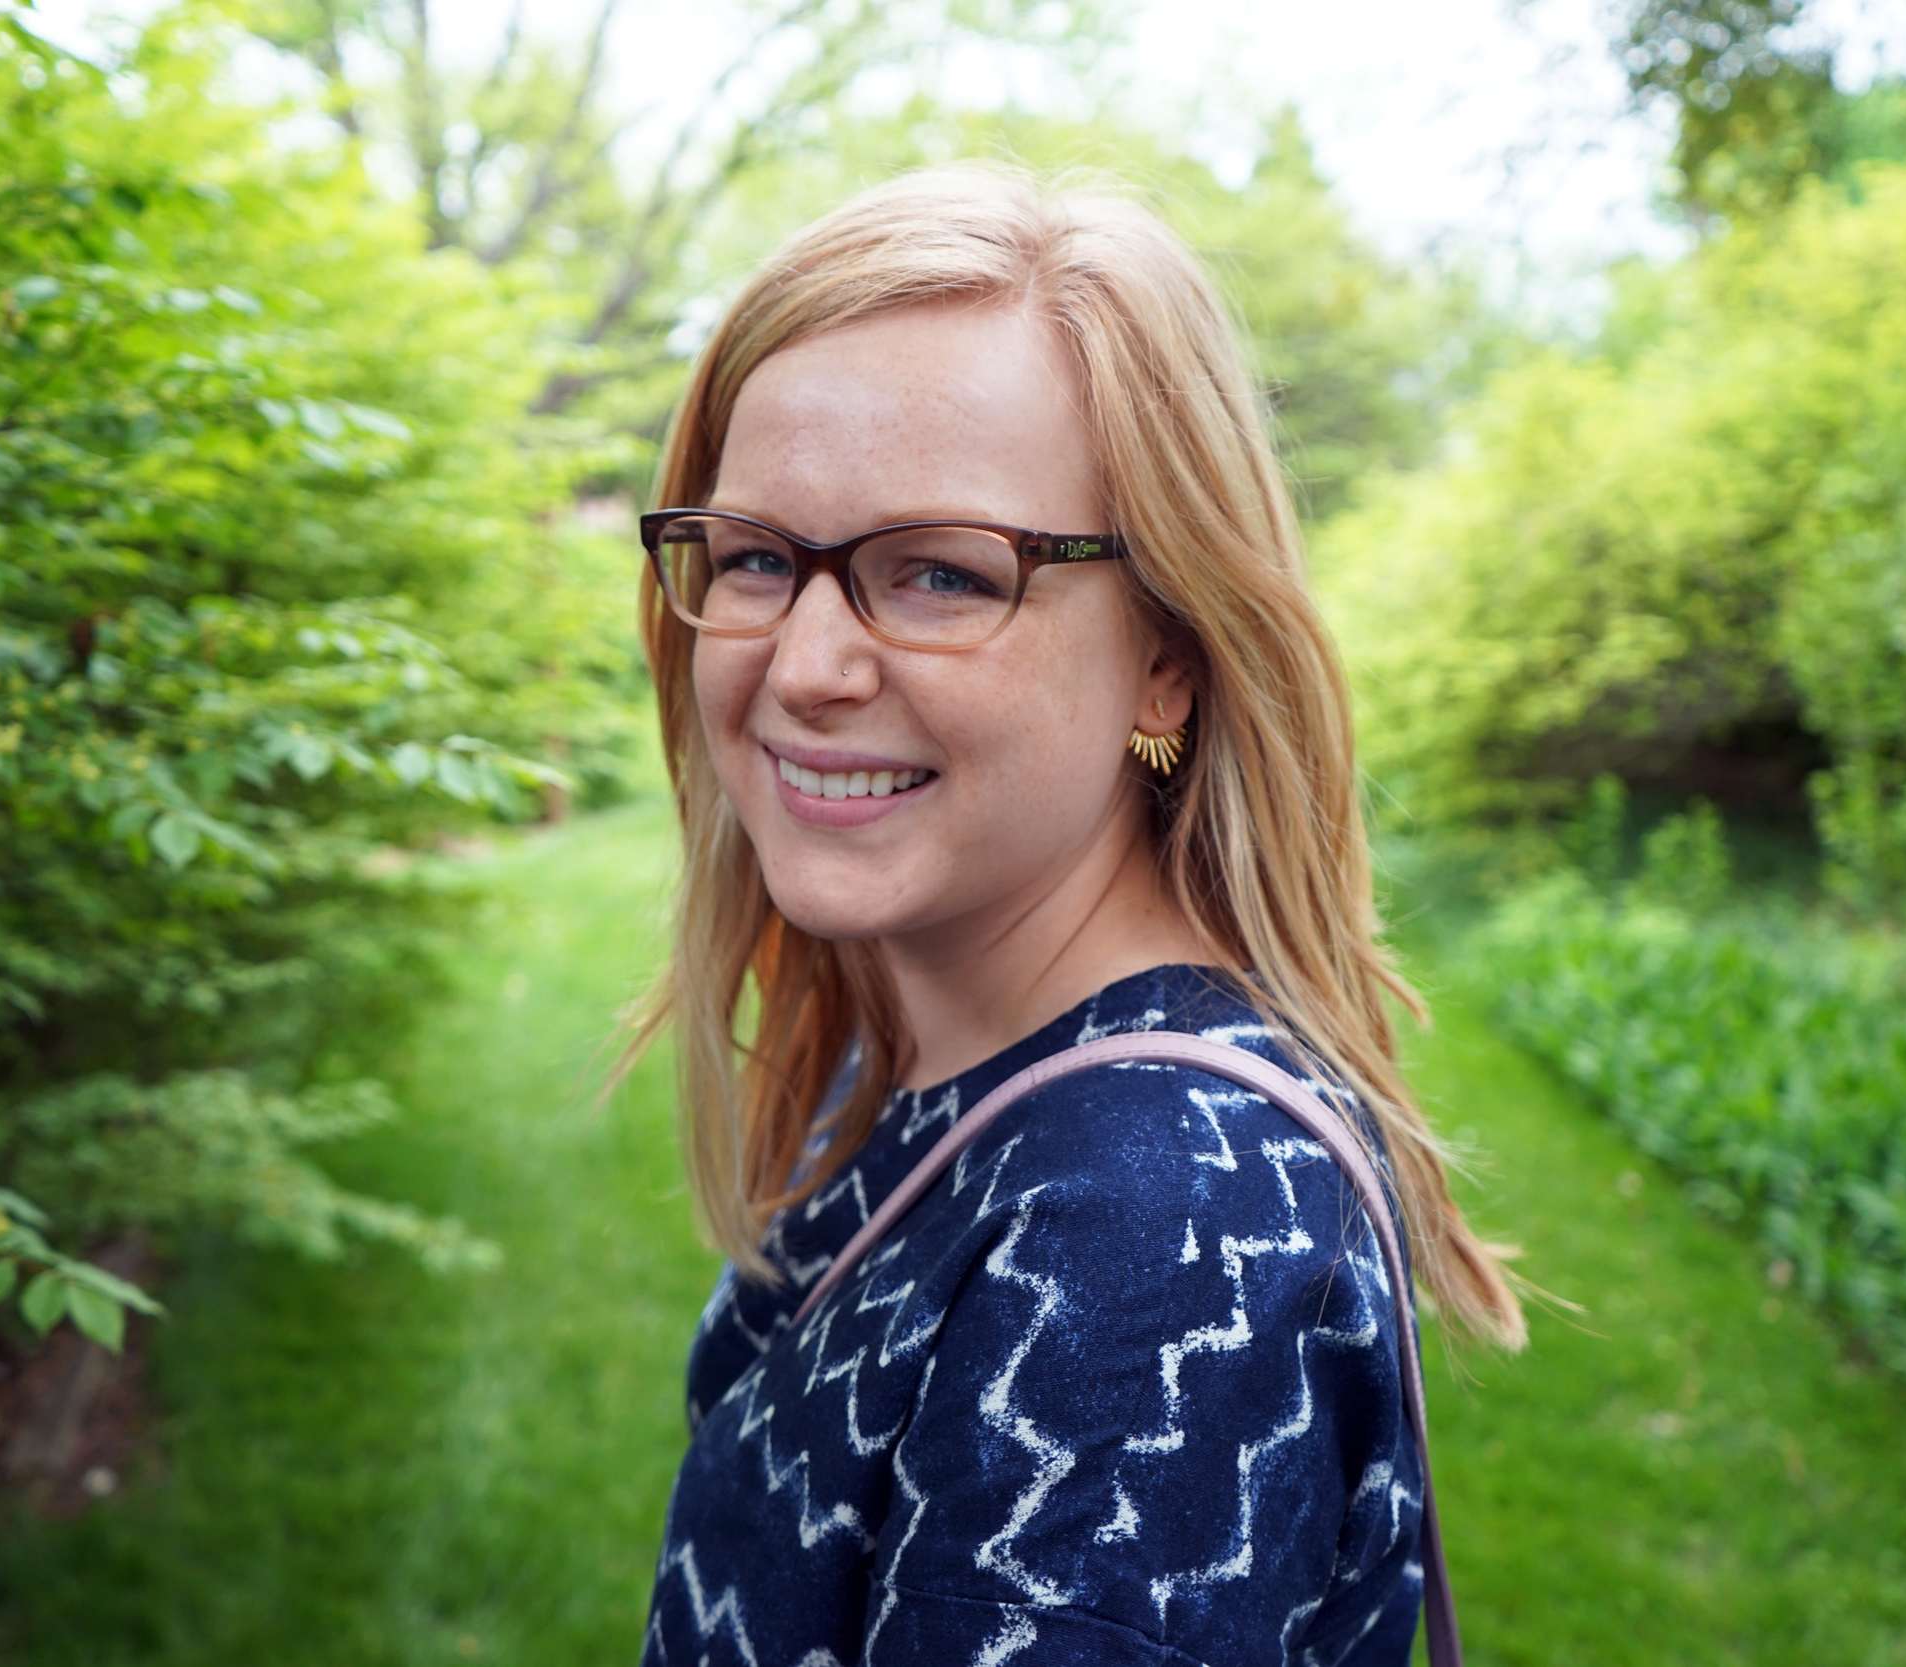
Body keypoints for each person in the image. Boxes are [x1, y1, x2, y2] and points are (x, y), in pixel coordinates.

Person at [627, 165, 1525, 1667]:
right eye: (762, 558)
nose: (806, 665)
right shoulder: (937, 1045)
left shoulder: (1152, 1241)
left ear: (1167, 657)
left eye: (940, 573)